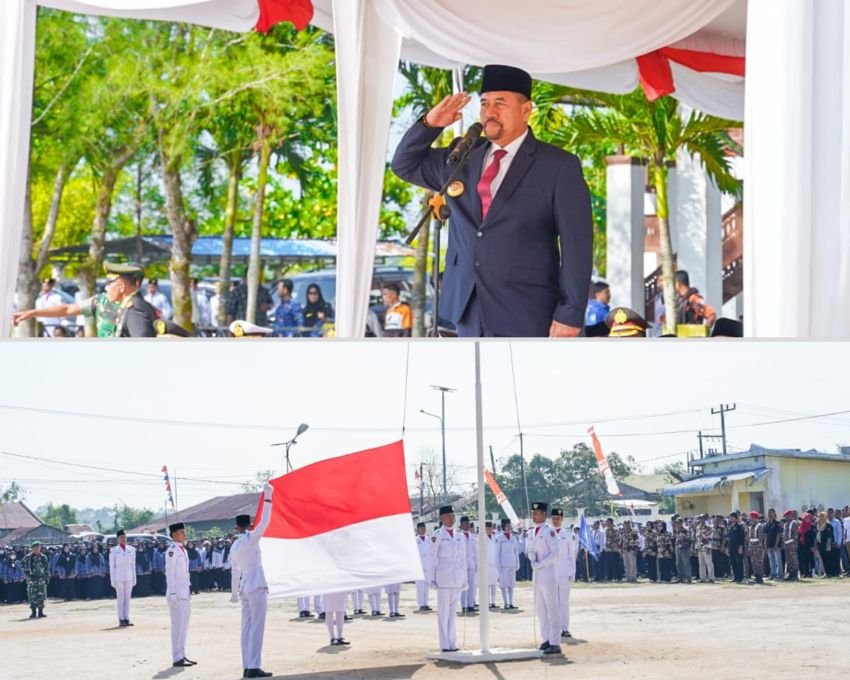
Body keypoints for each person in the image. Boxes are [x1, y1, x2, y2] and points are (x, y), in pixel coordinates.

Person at [391, 64, 593, 338]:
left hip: (527, 309)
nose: (490, 112)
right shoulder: (461, 156)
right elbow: (404, 165)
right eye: (485, 103)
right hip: (465, 308)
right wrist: (430, 124)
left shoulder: (558, 166)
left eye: (501, 103)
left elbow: (577, 247)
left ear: (526, 110)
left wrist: (570, 314)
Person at [230, 482, 275, 679]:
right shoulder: (250, 539)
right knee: (257, 626)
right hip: (256, 584)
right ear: (248, 525)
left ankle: (247, 665)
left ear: (236, 527)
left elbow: (234, 571)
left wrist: (233, 593)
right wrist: (268, 497)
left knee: (246, 628)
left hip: (244, 586)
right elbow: (265, 522)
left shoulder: (234, 546)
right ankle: (254, 666)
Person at [525, 502, 561, 655]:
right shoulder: (532, 532)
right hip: (537, 574)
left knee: (552, 608)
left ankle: (555, 642)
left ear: (544, 515)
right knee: (540, 609)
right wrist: (532, 559)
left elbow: (555, 553)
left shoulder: (549, 531)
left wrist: (540, 564)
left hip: (548, 573)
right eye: (533, 513)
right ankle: (546, 638)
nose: (534, 515)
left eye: (537, 513)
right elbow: (530, 549)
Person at [430, 505, 467, 653]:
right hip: (443, 577)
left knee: (453, 613)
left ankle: (452, 642)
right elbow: (432, 559)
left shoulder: (460, 536)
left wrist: (465, 580)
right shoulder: (437, 535)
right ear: (441, 518)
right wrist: (431, 579)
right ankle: (444, 644)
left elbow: (463, 559)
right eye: (448, 516)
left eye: (453, 515)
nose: (452, 519)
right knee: (443, 613)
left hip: (457, 578)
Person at [165, 522, 196, 668]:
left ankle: (182, 654)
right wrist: (172, 593)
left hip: (184, 592)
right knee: (177, 626)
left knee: (184, 626)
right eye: (182, 532)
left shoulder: (182, 549)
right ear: (174, 535)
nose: (185, 534)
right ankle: (177, 657)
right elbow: (169, 573)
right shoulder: (172, 550)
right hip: (176, 593)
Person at [103, 263, 157, 337]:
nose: (106, 288)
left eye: (109, 284)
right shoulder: (131, 306)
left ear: (121, 287)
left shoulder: (134, 310)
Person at [551, 509, 577, 638]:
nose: (556, 520)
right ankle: (553, 628)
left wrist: (573, 572)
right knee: (551, 602)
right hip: (550, 573)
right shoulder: (547, 533)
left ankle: (565, 628)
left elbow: (572, 555)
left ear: (562, 519)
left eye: (558, 518)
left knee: (564, 602)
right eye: (554, 518)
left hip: (564, 571)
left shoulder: (567, 535)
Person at [109, 530, 136, 626]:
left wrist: (134, 578)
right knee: (121, 598)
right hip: (118, 577)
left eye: (124, 537)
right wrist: (112, 580)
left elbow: (133, 565)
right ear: (117, 539)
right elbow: (112, 566)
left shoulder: (131, 550)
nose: (123, 539)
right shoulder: (114, 550)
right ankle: (121, 618)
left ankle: (127, 618)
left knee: (127, 598)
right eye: (121, 537)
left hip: (128, 576)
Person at [495, 518, 520, 609]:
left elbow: (516, 551)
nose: (509, 528)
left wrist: (517, 563)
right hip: (503, 565)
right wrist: (498, 565)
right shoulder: (499, 538)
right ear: (503, 527)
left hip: (512, 563)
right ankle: (505, 603)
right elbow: (497, 553)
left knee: (511, 584)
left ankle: (511, 603)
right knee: (503, 585)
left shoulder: (513, 537)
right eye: (507, 526)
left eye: (509, 526)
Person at [21, 541, 50, 619]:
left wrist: (47, 578)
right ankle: (33, 612)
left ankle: (40, 612)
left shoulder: (43, 557)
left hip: (41, 579)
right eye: (36, 548)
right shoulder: (28, 557)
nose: (37, 549)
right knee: (32, 596)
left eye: (39, 547)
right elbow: (21, 565)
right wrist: (27, 573)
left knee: (41, 596)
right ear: (32, 549)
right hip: (32, 580)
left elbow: (47, 568)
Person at [414, 523, 432, 611]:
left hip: (427, 565)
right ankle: (421, 604)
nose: (423, 530)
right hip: (419, 566)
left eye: (424, 528)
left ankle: (426, 603)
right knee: (420, 586)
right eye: (421, 528)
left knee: (426, 585)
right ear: (417, 530)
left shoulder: (429, 540)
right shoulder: (415, 540)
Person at [815, 511, 835, 578]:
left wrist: (828, 546)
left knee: (828, 559)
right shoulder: (818, 526)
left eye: (823, 516)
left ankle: (830, 573)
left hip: (827, 546)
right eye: (820, 516)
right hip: (820, 545)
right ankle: (826, 573)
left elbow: (830, 537)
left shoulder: (828, 526)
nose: (821, 518)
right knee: (823, 559)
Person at [727, 512, 746, 583]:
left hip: (738, 547)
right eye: (730, 517)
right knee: (733, 563)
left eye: (732, 517)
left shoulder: (740, 526)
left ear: (736, 518)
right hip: (731, 547)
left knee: (739, 563)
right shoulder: (730, 527)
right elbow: (729, 538)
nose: (731, 518)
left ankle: (740, 577)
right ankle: (735, 577)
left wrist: (741, 547)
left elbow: (741, 537)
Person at [764, 509, 783, 580]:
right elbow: (766, 535)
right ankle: (773, 575)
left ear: (774, 514)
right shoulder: (767, 524)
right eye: (768, 513)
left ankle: (780, 575)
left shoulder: (778, 523)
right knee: (771, 561)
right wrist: (765, 544)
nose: (769, 515)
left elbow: (778, 534)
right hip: (769, 545)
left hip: (776, 545)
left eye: (771, 513)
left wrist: (776, 544)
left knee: (778, 561)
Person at [782, 510, 800, 580]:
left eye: (787, 516)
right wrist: (784, 543)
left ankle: (795, 575)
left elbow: (795, 535)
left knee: (794, 560)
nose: (786, 517)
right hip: (786, 544)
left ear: (790, 515)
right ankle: (790, 574)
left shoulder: (794, 523)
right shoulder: (785, 524)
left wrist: (791, 543)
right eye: (785, 516)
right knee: (788, 560)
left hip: (792, 544)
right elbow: (784, 535)